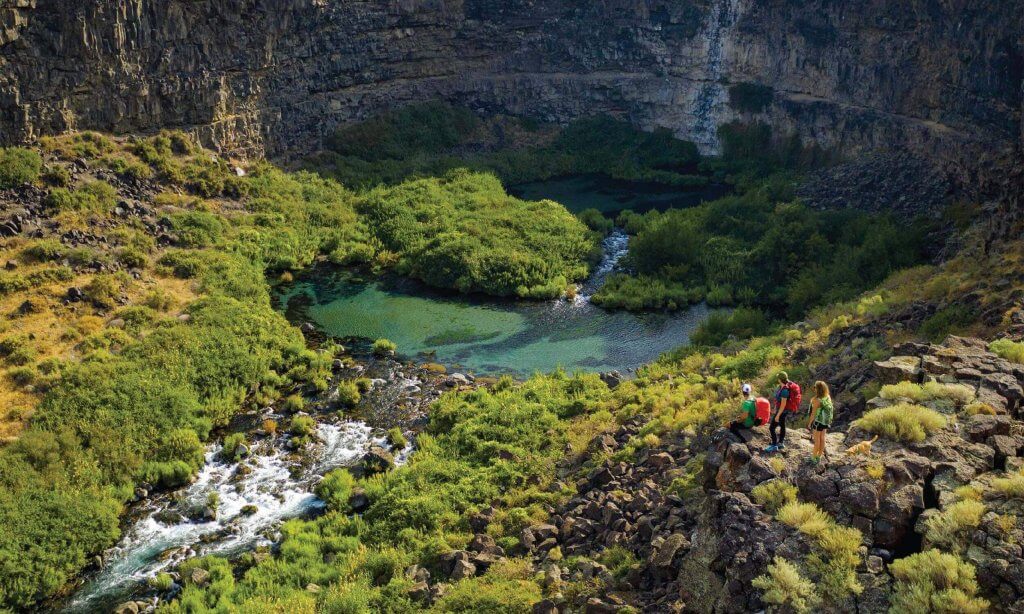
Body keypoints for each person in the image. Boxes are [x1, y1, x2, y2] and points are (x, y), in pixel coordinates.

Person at [765, 371, 798, 453]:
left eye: (778, 378)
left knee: (771, 428)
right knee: (782, 425)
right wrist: (775, 409)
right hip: (783, 411)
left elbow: (783, 404)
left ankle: (774, 445)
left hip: (782, 411)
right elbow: (779, 402)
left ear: (780, 379)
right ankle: (781, 443)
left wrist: (777, 415)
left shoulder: (785, 391)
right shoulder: (783, 386)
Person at [807, 380, 833, 464]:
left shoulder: (817, 400)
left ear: (818, 389)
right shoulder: (827, 396)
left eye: (815, 387)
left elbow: (813, 414)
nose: (814, 389)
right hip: (826, 421)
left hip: (818, 422)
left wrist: (810, 423)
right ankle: (819, 456)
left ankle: (813, 458)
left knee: (816, 439)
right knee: (822, 438)